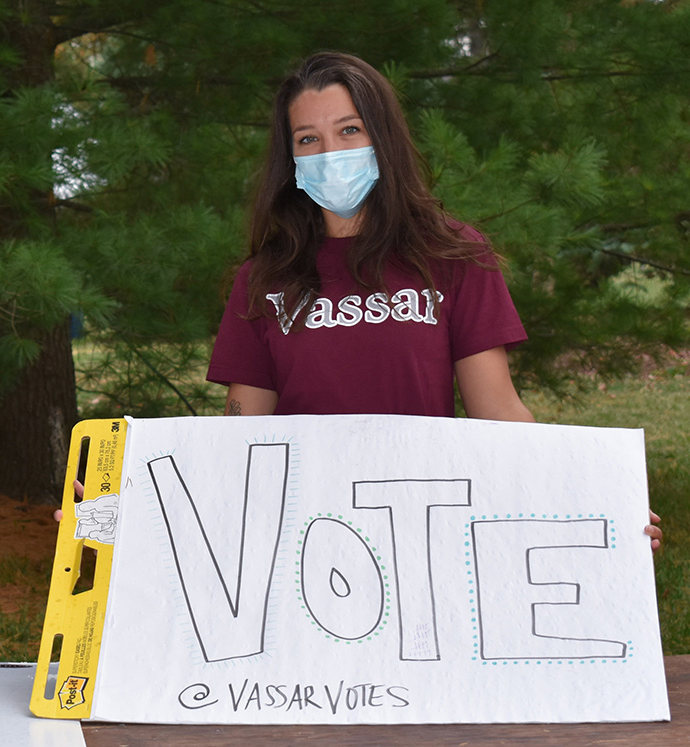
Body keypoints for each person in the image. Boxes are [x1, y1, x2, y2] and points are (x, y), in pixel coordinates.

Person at [206, 51, 662, 548]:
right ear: (289, 159)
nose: (329, 152)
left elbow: (499, 413)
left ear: (383, 138)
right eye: (308, 139)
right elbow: (242, 438)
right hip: (302, 532)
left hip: (423, 528)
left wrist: (597, 502)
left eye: (350, 130)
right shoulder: (264, 278)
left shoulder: (451, 255)